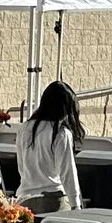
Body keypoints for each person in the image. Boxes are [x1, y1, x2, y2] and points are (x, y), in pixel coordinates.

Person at [17, 80, 83, 214]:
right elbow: (67, 172)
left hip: (25, 199)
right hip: (53, 198)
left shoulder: (25, 128)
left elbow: (21, 166)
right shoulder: (61, 133)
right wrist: (76, 204)